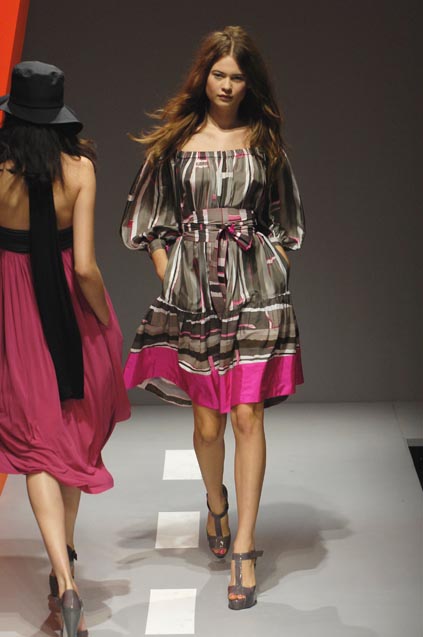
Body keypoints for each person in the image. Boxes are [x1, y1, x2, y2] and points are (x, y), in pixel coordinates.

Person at [121, 25, 305, 610]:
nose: (226, 85)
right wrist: (170, 271)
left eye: (237, 77)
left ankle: (245, 545)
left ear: (251, 83)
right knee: (208, 426)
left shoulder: (264, 141)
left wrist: (271, 267)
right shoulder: (174, 143)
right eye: (218, 74)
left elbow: (285, 219)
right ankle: (217, 503)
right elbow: (145, 219)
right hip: (194, 294)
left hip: (254, 292)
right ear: (203, 76)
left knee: (248, 413)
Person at [0, 61, 130, 637]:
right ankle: (65, 572)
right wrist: (103, 320)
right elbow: (83, 267)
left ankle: (65, 578)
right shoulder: (79, 169)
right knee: (71, 433)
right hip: (66, 316)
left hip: (11, 313)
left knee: (36, 449)